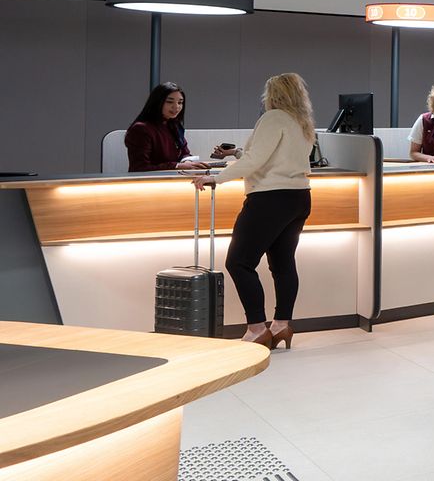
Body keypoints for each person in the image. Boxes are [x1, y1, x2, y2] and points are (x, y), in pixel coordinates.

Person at [191, 73, 315, 351]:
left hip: (270, 198)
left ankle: (257, 328)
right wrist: (237, 154)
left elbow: (257, 159)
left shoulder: (273, 118)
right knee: (283, 264)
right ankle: (281, 325)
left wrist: (216, 178)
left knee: (239, 262)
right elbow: (270, 157)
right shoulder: (302, 122)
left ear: (273, 95)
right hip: (298, 197)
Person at [127, 82, 235, 172]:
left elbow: (184, 152)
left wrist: (186, 161)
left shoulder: (174, 125)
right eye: (169, 102)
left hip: (173, 179)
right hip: (150, 183)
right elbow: (139, 167)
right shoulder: (141, 129)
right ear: (157, 102)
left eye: (180, 102)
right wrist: (178, 166)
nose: (176, 107)